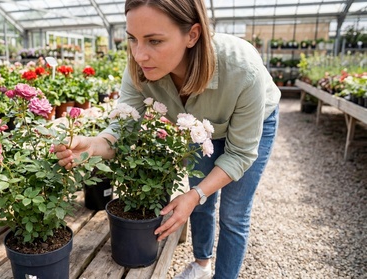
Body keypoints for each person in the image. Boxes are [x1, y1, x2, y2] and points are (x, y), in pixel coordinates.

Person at [54, 0, 281, 278]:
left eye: (154, 41)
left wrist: (195, 193)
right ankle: (201, 265)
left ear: (192, 35)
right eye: (132, 39)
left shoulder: (243, 68)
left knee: (233, 214)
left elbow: (240, 154)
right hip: (199, 129)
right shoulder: (139, 70)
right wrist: (94, 145)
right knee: (198, 203)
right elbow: (121, 131)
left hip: (255, 122)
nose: (139, 55)